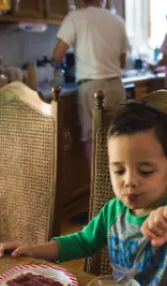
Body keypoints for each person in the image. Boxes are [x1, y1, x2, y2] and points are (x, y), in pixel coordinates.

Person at [0, 102, 167, 286]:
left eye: (146, 171)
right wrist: (32, 250)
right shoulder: (112, 211)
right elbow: (82, 242)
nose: (129, 181)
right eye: (119, 170)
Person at [51, 0, 130, 174]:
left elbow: (58, 54)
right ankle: (117, 191)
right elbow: (122, 60)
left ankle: (98, 193)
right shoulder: (117, 20)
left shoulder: (75, 17)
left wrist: (57, 62)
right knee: (118, 136)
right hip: (116, 85)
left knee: (93, 139)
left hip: (92, 87)